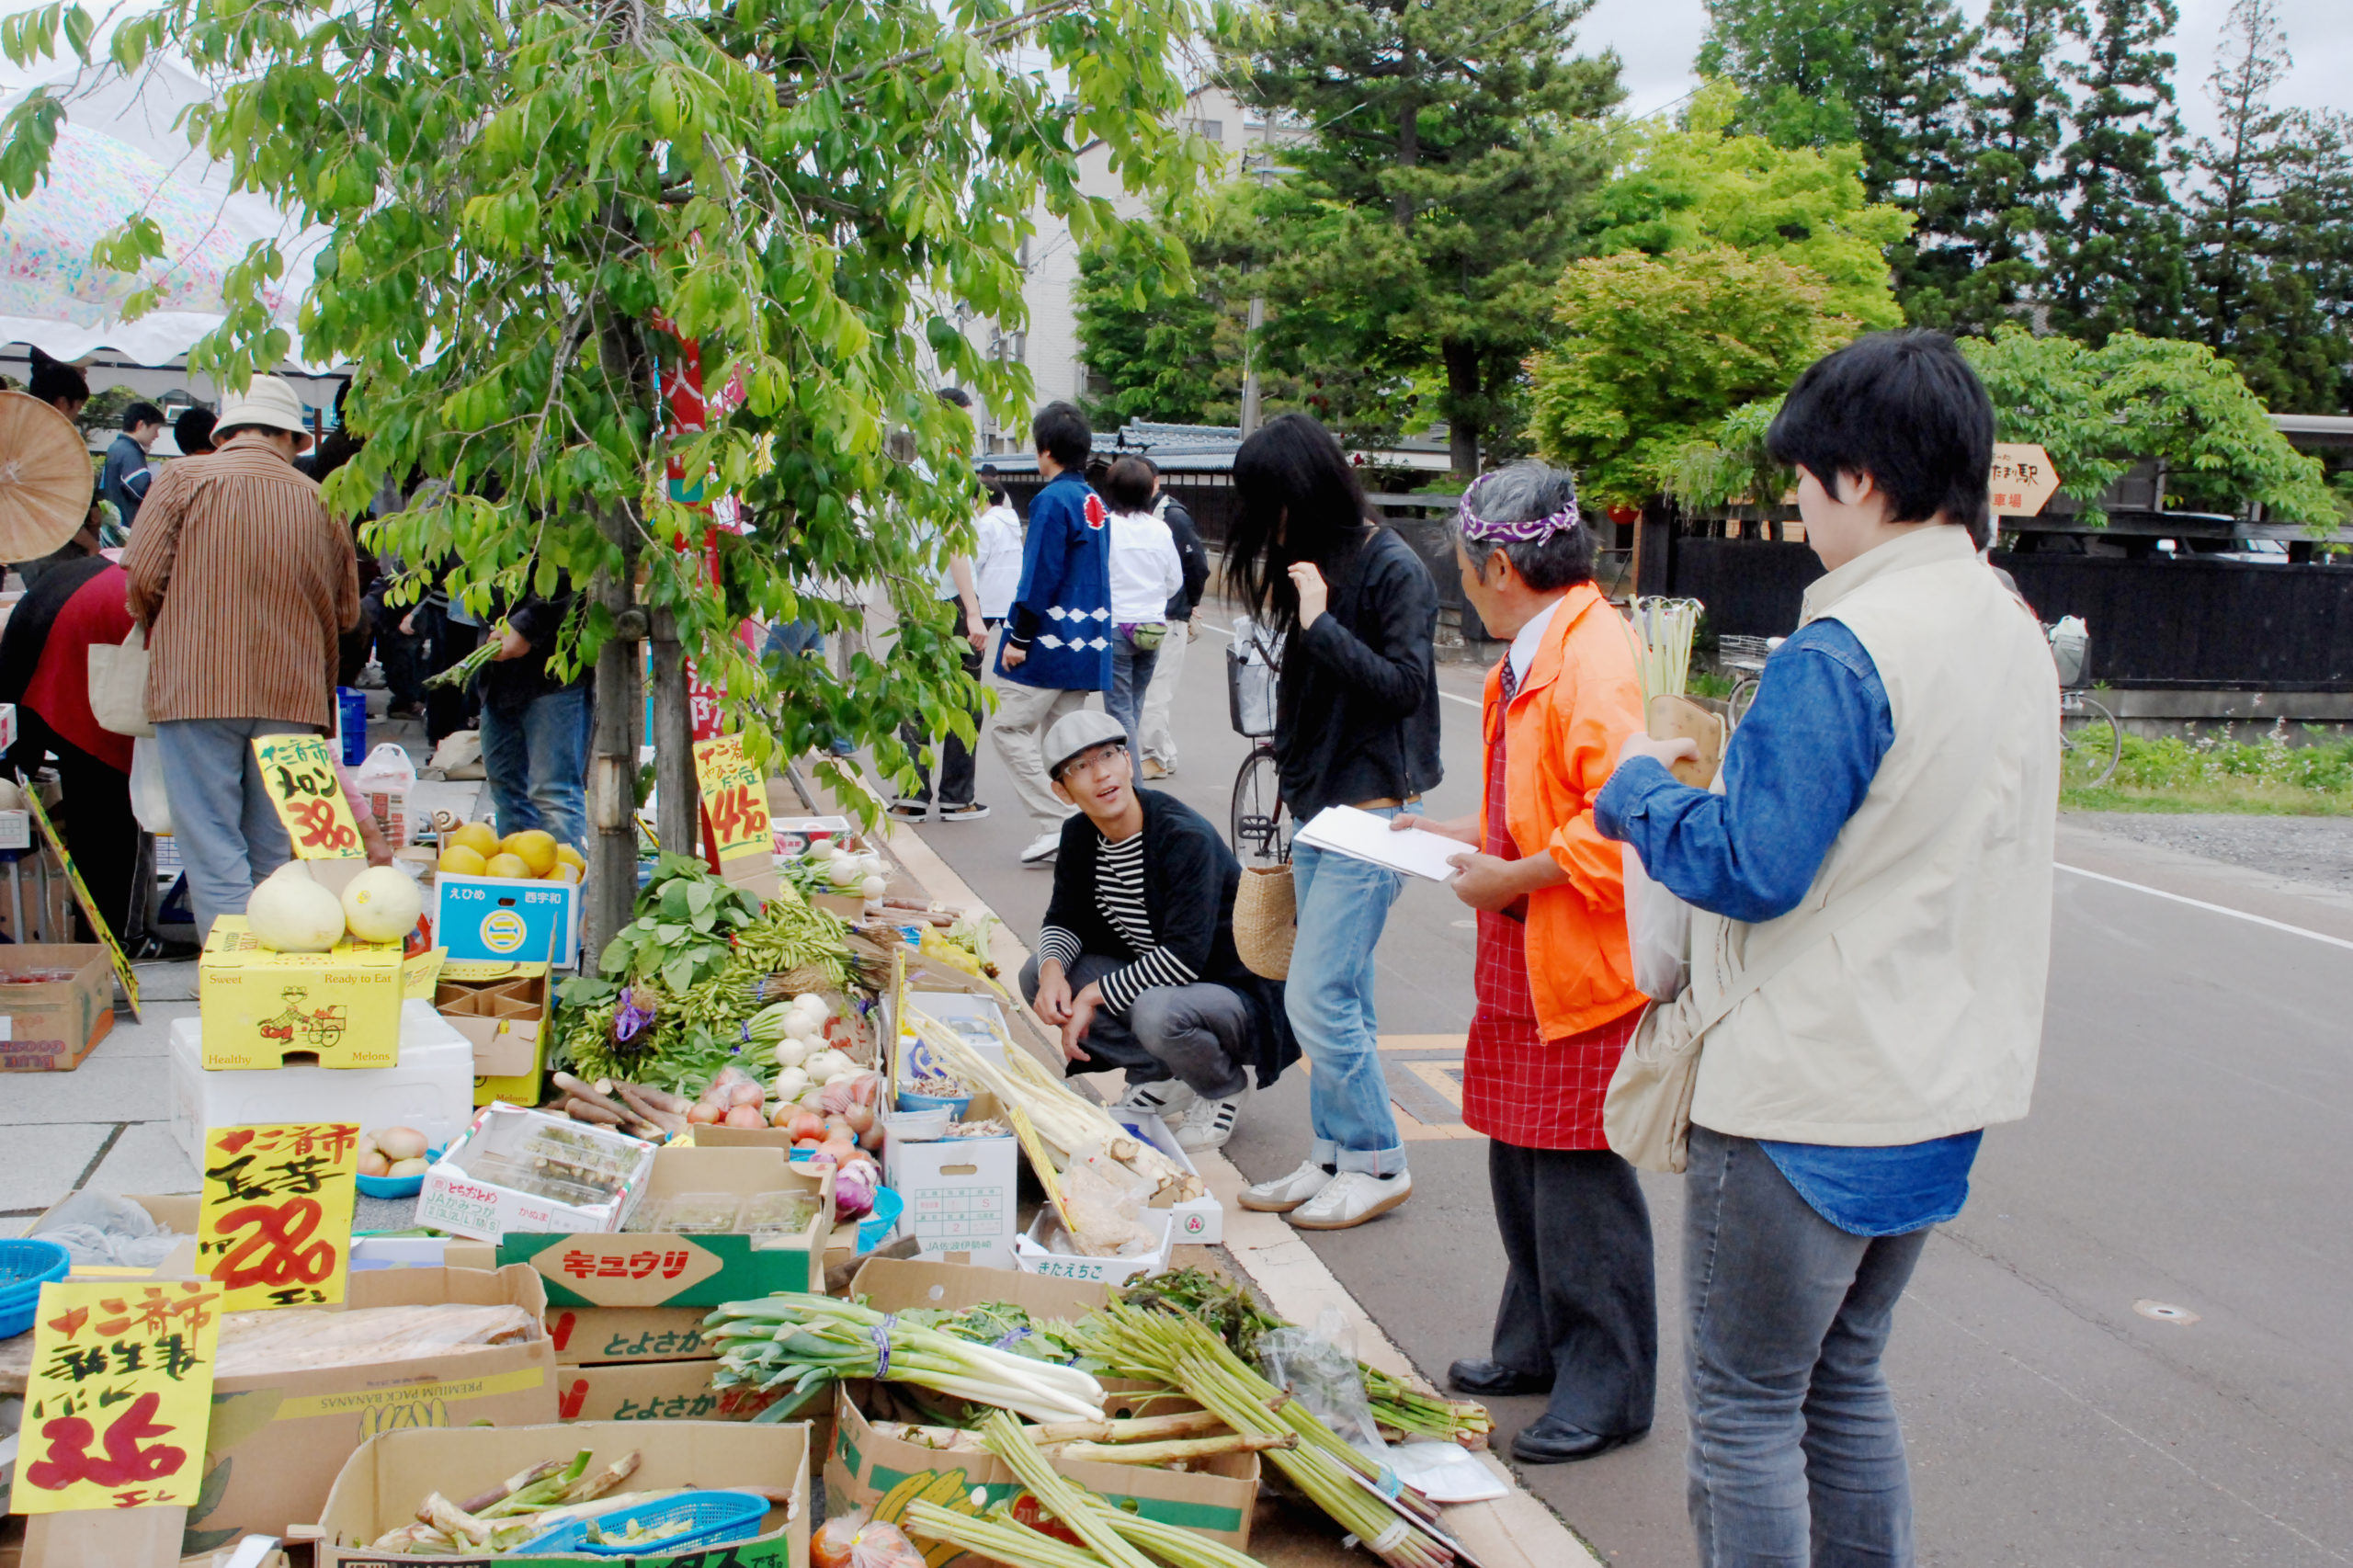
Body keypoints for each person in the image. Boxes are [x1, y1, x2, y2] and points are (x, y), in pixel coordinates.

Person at [1596, 332, 2058, 1564]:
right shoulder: (2010, 626)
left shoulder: (1846, 648)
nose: (1795, 504)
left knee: (1746, 1405)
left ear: (1860, 477)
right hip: (1939, 1084)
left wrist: (1637, 791)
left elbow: (1751, 864)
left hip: (1804, 1095)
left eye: (1801, 478)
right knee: (1843, 1379)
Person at [1392, 463, 1654, 1465]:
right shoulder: (1543, 645)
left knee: (1578, 1181)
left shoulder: (1593, 657)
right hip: (1528, 940)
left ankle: (1609, 1386)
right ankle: (1536, 1344)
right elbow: (1533, 804)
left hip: (1576, 956)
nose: (1463, 589)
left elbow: (1619, 824)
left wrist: (1511, 874)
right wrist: (1454, 834)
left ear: (1500, 566)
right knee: (1519, 1161)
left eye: (1464, 571)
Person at [1225, 413, 1441, 1231]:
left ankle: (1379, 1160)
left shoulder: (1393, 568)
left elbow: (1404, 688)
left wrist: (1319, 623)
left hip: (1375, 813)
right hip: (1322, 811)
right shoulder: (1314, 562)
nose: (1265, 523)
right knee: (1338, 995)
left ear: (1305, 491)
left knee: (1317, 997)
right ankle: (1332, 1156)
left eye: (1270, 503)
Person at [125, 374, 361, 939]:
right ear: (293, 438)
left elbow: (142, 580)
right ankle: (272, 968)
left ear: (224, 432)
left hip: (195, 685)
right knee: (273, 850)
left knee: (212, 844)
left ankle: (232, 968)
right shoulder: (321, 497)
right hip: (293, 691)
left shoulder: (182, 477)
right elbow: (348, 611)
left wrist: (181, 624)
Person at [1020, 710, 1294, 1151]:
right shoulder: (1079, 835)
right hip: (1165, 985)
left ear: (1128, 762)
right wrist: (1052, 971)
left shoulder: (1183, 837)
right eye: (1081, 766)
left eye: (1108, 755)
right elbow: (1065, 918)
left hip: (1234, 995)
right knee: (1037, 973)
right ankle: (1162, 1075)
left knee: (1155, 1011)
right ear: (1062, 790)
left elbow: (1183, 959)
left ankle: (1221, 1087)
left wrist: (1091, 995)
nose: (1101, 774)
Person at [0, 556, 149, 949]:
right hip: (85, 639)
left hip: (59, 609)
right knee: (108, 805)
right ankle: (108, 940)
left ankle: (101, 936)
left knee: (37, 788)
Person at [993, 402, 1112, 867]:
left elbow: (1039, 574)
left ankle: (1057, 820)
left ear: (1045, 450)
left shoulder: (1051, 501)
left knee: (1007, 727)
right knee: (1065, 744)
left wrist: (1019, 637)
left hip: (1049, 639)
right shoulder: (1094, 501)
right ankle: (1082, 829)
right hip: (1088, 639)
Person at [890, 391, 995, 824]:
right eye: (964, 422)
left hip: (915, 599)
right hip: (950, 600)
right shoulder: (951, 473)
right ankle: (957, 796)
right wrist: (973, 610)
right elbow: (956, 547)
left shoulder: (910, 471)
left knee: (916, 695)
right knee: (964, 697)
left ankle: (911, 795)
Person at [479, 576, 591, 847]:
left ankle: (565, 873)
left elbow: (571, 577)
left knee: (553, 792)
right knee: (506, 787)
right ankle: (519, 870)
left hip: (554, 670)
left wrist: (526, 627)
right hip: (497, 672)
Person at [1099, 456, 1182, 761]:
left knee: (1119, 712)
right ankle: (1131, 776)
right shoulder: (1161, 530)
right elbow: (1174, 581)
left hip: (1118, 626)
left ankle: (1133, 785)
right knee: (1134, 705)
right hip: (1153, 628)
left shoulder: (1106, 528)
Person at [1137, 459, 1208, 779]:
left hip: (1170, 617)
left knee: (1155, 691)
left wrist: (1189, 603)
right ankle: (1165, 753)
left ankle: (1155, 758)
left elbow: (1198, 566)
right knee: (1149, 688)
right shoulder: (1144, 514)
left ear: (1155, 481)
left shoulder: (1173, 517)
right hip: (1151, 616)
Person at [99, 402, 165, 533]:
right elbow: (142, 490)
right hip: (129, 526)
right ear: (141, 425)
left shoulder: (115, 447)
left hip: (115, 527)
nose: (157, 435)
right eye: (155, 429)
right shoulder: (130, 452)